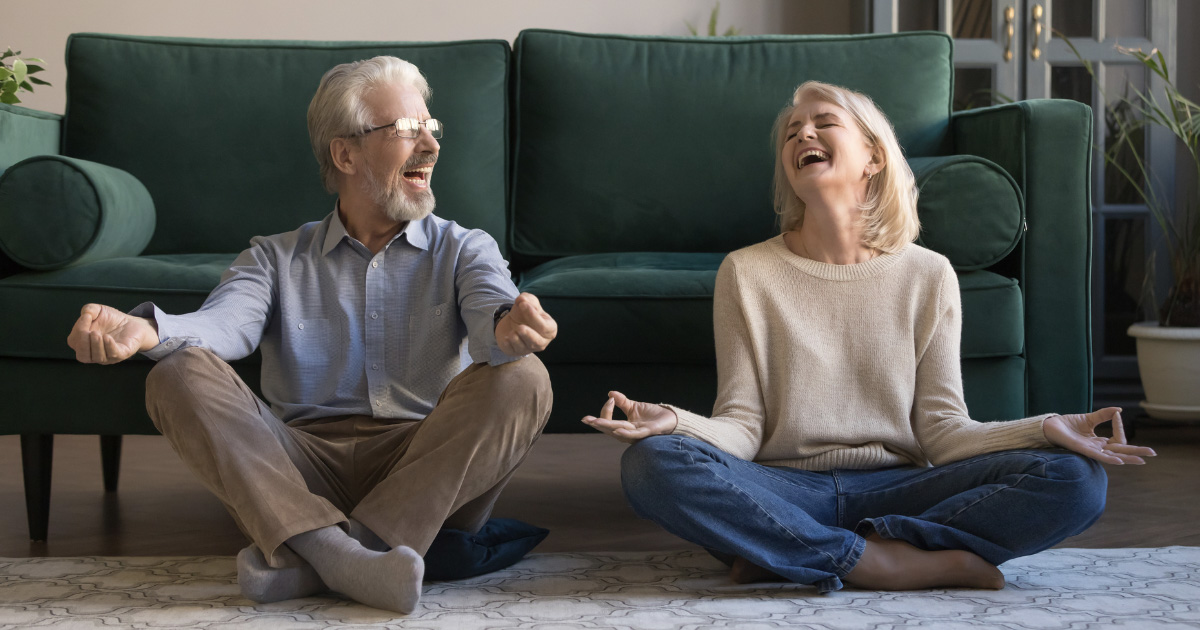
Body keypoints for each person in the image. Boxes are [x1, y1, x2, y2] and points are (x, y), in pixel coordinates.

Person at [582, 80, 1155, 593]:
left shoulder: (927, 274)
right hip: (781, 486)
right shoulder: (747, 271)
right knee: (652, 464)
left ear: (874, 156)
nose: (802, 132)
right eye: (791, 131)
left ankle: (788, 552)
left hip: (901, 488)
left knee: (1077, 478)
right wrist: (676, 422)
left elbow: (943, 431)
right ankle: (885, 562)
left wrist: (1043, 429)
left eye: (823, 121)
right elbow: (744, 424)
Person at [66, 56, 556, 614]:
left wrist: (508, 326)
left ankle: (317, 557)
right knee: (177, 371)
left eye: (431, 127)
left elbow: (493, 309)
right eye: (406, 129)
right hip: (298, 468)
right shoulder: (272, 257)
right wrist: (146, 330)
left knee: (524, 377)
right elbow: (221, 327)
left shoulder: (466, 248)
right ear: (345, 154)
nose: (431, 144)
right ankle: (347, 558)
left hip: (424, 470)